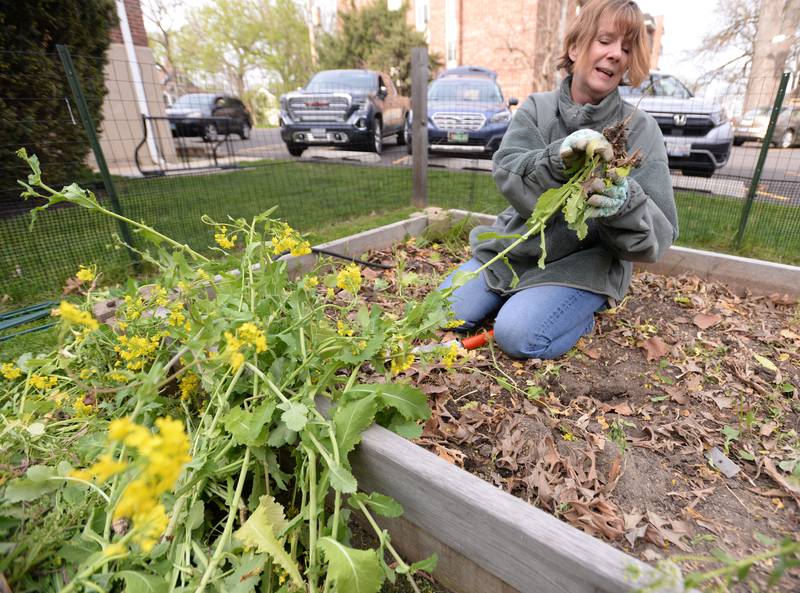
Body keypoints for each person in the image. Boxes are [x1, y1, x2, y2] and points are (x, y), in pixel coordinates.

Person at [439, 0, 678, 360]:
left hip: (583, 265)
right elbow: (509, 171)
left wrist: (624, 203)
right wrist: (557, 158)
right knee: (444, 310)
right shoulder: (538, 108)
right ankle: (528, 300)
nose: (615, 54)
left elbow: (659, 235)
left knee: (515, 335)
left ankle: (580, 315)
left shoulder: (640, 129)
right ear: (574, 47)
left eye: (626, 48)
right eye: (605, 40)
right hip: (519, 247)